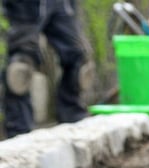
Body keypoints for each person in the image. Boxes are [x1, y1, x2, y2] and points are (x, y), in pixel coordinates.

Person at [1, 0, 92, 139]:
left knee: (80, 62)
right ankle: (19, 133)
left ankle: (74, 121)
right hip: (25, 5)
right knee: (20, 68)